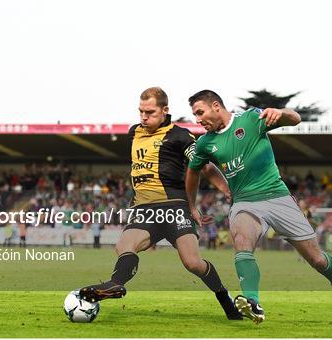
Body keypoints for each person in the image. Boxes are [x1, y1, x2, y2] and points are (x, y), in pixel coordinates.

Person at [185, 90, 332, 324]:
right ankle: (252, 302)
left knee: (318, 260)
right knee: (242, 242)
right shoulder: (205, 143)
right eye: (194, 115)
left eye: (200, 112)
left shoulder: (251, 119)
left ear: (216, 106)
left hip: (278, 197)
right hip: (245, 202)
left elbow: (295, 119)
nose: (197, 119)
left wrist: (280, 112)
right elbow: (193, 172)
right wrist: (192, 205)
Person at [79, 87, 242, 320]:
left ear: (165, 110)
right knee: (124, 246)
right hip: (144, 209)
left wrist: (226, 189)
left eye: (150, 112)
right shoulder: (133, 132)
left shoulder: (180, 136)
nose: (144, 117)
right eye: (141, 111)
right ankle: (115, 285)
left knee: (193, 263)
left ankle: (226, 301)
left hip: (174, 207)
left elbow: (204, 166)